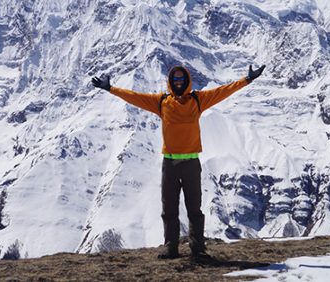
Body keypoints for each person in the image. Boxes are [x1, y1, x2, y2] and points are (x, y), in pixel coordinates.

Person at [91, 64, 265, 264]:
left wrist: (248, 79)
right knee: (169, 209)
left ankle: (198, 249)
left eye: (182, 79)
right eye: (176, 79)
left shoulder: (198, 100)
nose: (179, 82)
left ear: (187, 80)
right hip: (170, 163)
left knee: (195, 210)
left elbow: (223, 91)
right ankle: (170, 248)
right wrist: (110, 89)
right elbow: (135, 97)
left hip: (191, 163)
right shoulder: (161, 102)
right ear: (171, 82)